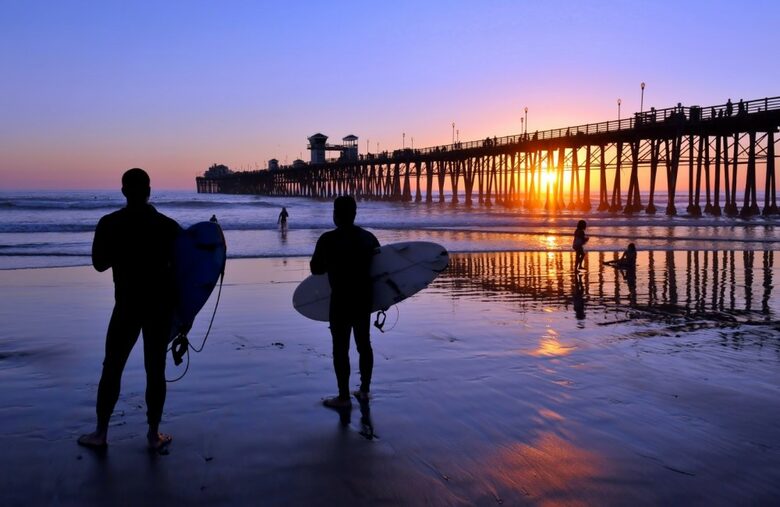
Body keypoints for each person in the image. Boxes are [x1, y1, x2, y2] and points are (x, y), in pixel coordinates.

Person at [78, 168, 181, 451]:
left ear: (124, 191)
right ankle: (153, 434)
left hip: (126, 305)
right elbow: (185, 272)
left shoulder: (110, 224)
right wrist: (185, 316)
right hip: (159, 307)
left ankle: (100, 433)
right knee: (155, 370)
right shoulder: (168, 226)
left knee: (112, 367)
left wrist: (123, 249)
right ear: (149, 190)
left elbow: (99, 264)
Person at [310, 196, 380, 408]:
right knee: (364, 344)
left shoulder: (327, 239)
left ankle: (343, 397)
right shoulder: (369, 238)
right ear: (355, 213)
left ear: (335, 215)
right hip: (363, 300)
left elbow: (316, 269)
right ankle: (365, 391)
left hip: (340, 300)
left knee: (340, 349)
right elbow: (381, 271)